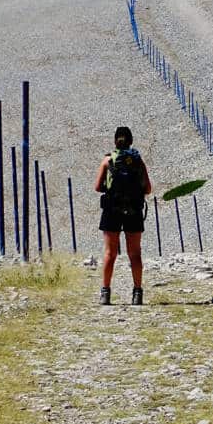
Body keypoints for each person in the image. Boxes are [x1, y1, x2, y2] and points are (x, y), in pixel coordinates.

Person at [94, 126, 152, 305]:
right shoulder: (137, 160)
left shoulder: (107, 160)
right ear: (131, 141)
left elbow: (97, 187)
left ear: (115, 141)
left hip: (112, 210)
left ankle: (105, 293)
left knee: (110, 253)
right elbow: (148, 189)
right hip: (133, 211)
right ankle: (137, 293)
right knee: (134, 254)